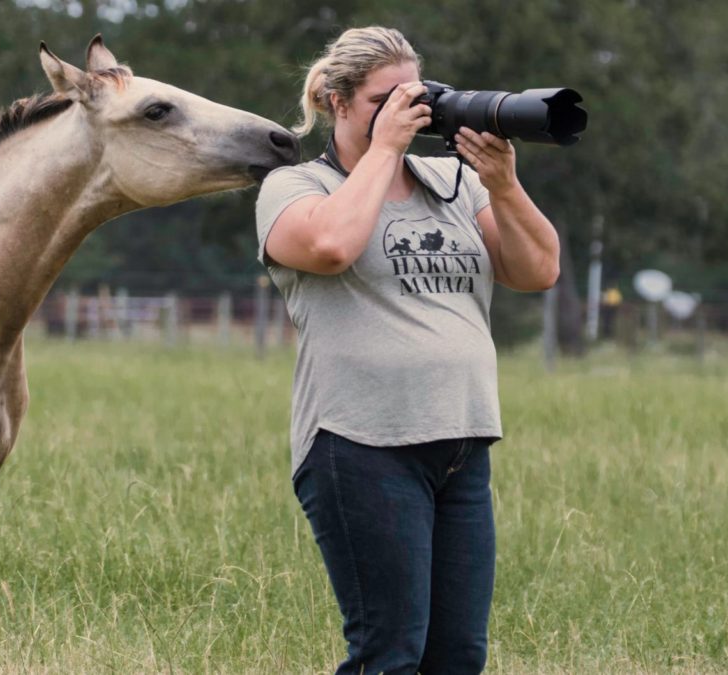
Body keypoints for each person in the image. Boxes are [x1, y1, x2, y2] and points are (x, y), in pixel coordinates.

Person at [255, 26, 560, 674]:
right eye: (381, 100)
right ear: (337, 102)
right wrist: (384, 152)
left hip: (461, 443)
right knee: (389, 654)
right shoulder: (294, 187)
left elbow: (538, 269)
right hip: (360, 443)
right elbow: (332, 246)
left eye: (412, 97)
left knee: (457, 656)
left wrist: (502, 184)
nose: (403, 111)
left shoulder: (451, 182)